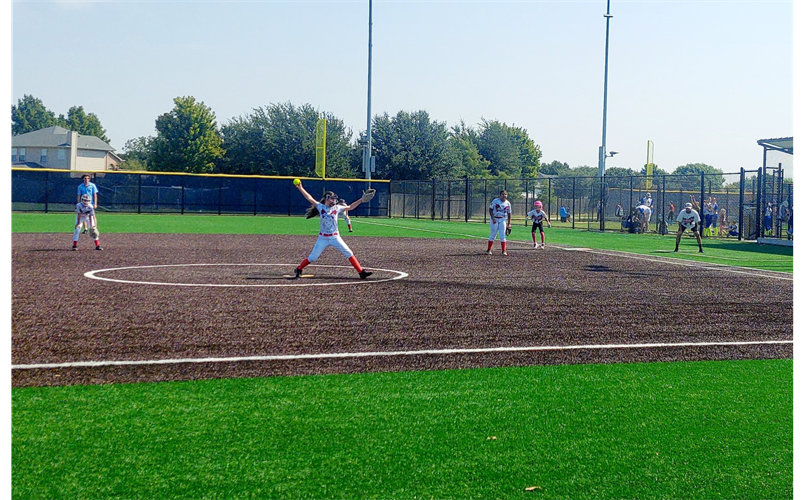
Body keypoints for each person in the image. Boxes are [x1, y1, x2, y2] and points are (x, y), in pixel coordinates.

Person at [291, 181, 372, 280]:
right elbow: (309, 198)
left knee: (349, 253)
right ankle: (299, 269)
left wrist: (361, 200)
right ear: (327, 198)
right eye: (332, 199)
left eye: (335, 199)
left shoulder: (337, 208)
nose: (334, 201)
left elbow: (350, 207)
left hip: (335, 237)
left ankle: (361, 272)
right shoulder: (320, 207)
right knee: (312, 258)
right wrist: (300, 187)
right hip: (323, 238)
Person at [486, 190, 512, 255]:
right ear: (500, 195)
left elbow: (509, 213)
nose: (504, 195)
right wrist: (492, 218)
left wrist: (509, 223)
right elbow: (490, 209)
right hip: (495, 218)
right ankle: (489, 250)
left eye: (505, 194)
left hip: (502, 219)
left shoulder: (508, 203)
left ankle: (504, 251)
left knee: (502, 235)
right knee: (493, 234)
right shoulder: (495, 201)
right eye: (502, 194)